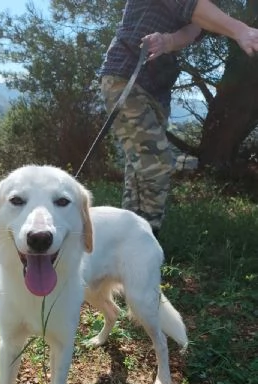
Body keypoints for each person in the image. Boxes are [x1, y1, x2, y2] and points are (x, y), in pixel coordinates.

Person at [100, 0, 258, 237]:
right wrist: (241, 30)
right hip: (126, 75)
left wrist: (167, 41)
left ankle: (123, 243)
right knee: (158, 164)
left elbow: (193, 28)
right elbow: (191, 6)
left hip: (158, 90)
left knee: (138, 174)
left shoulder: (205, 9)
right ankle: (145, 243)